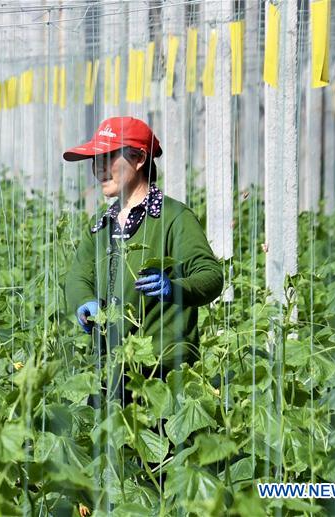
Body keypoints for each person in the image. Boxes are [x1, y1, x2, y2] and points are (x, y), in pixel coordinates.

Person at [62, 117, 223, 407]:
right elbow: (78, 275)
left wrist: (174, 288)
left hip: (163, 375)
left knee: (161, 450)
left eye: (108, 157)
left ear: (137, 159)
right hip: (111, 368)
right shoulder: (102, 226)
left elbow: (211, 275)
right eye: (95, 159)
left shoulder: (173, 218)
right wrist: (83, 301)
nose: (98, 168)